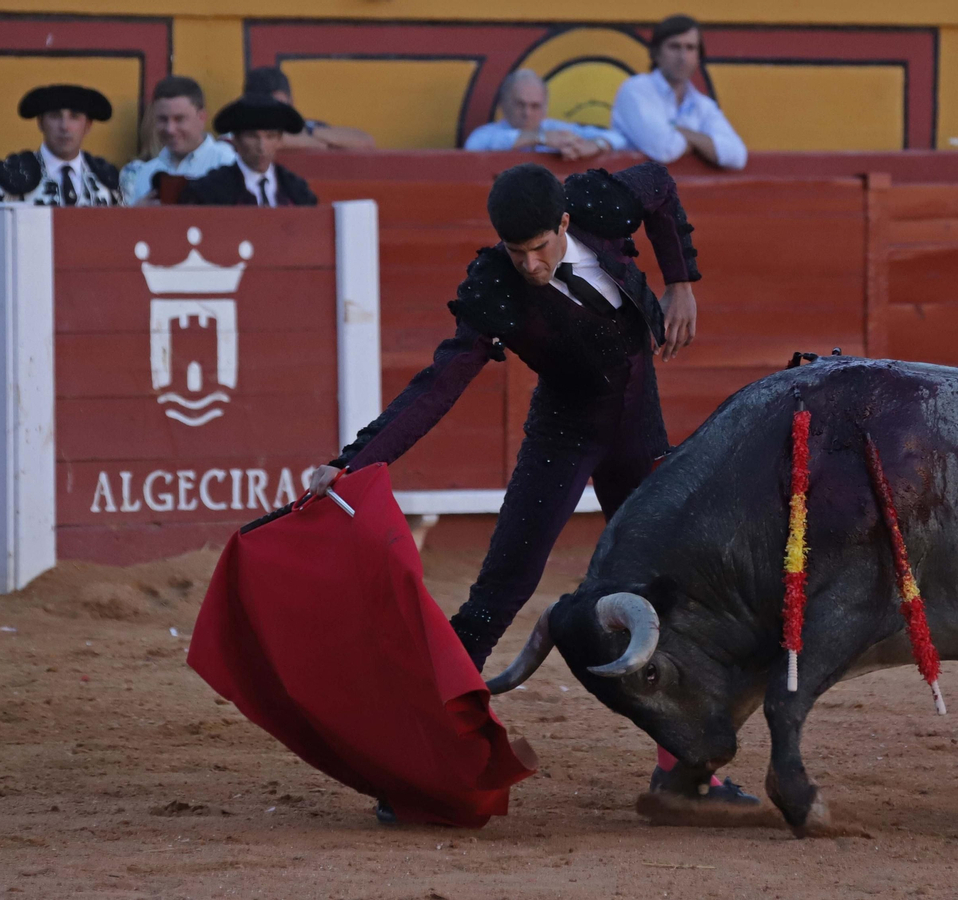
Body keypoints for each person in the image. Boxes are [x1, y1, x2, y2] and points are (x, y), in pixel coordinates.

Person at [305, 162, 752, 812]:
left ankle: (684, 772)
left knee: (668, 593)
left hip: (638, 431)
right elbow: (439, 385)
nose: (531, 266)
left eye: (540, 248)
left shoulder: (598, 205)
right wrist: (355, 461)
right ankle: (417, 766)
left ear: (565, 223)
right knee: (499, 592)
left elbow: (658, 184)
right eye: (517, 253)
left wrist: (682, 282)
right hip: (563, 436)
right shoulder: (496, 283)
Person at [0, 84, 125, 589]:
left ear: (88, 125)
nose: (65, 124)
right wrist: (24, 320)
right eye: (56, 115)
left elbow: (120, 264)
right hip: (24, 338)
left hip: (90, 342)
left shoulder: (109, 184)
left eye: (74, 116)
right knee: (13, 440)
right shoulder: (8, 181)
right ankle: (0, 560)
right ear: (41, 122)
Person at [611, 14, 747, 170]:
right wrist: (703, 144)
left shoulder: (702, 104)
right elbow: (664, 149)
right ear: (656, 53)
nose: (683, 57)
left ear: (698, 56)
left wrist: (683, 133)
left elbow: (737, 156)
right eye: (674, 47)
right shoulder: (636, 90)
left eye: (690, 48)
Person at [178, 94, 319, 207]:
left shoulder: (297, 190)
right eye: (252, 137)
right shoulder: (210, 189)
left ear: (279, 141)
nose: (261, 147)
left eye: (270, 136)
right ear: (236, 140)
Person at [120, 75, 239, 204]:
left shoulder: (229, 164)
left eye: (179, 119)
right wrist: (138, 212)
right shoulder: (145, 172)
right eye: (163, 119)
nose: (170, 129)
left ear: (202, 117)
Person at [463, 69, 626, 160]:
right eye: (520, 104)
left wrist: (594, 145)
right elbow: (473, 146)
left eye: (535, 106)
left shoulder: (558, 130)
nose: (527, 113)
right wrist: (541, 138)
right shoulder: (488, 134)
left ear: (545, 108)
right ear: (503, 105)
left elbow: (619, 138)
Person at [243, 66, 375, 151]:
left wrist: (309, 132)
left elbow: (366, 141)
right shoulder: (240, 132)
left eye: (281, 105)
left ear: (291, 103)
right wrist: (317, 142)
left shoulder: (308, 128)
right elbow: (277, 141)